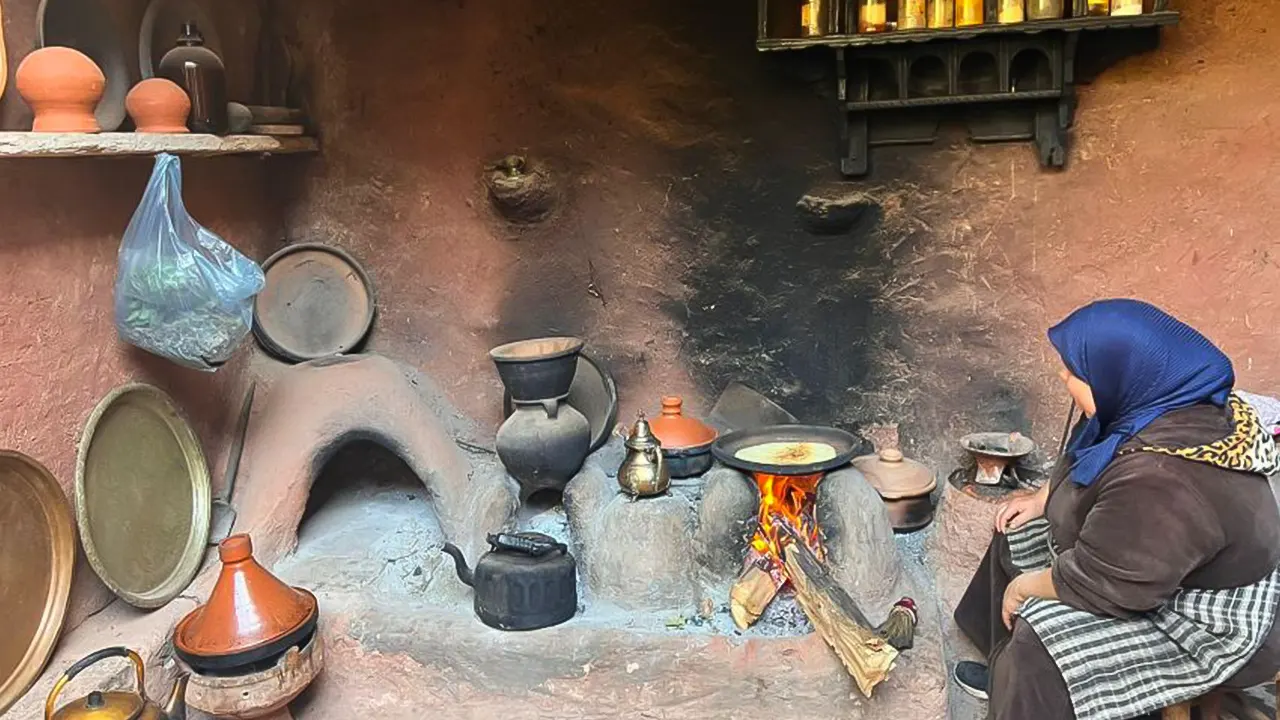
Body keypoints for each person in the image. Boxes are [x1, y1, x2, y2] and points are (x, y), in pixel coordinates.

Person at [952, 299, 1280, 720]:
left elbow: (1114, 584)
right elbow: (1085, 453)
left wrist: (1024, 588)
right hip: (1142, 555)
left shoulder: (1164, 476)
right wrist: (1040, 500)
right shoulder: (1147, 401)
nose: (1063, 376)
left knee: (1040, 641)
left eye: (1075, 372)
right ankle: (1001, 672)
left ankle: (1025, 691)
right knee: (1013, 533)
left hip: (1195, 609)